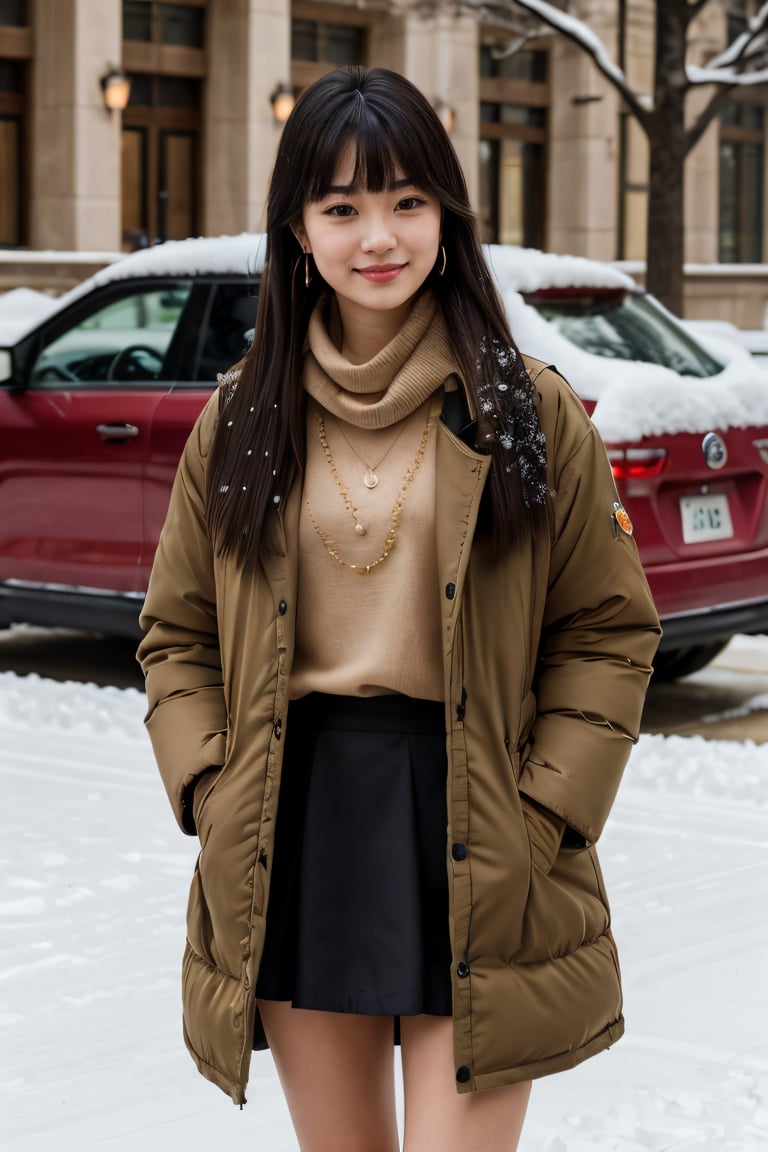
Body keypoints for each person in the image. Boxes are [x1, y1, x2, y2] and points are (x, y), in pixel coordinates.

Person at [137, 65, 661, 1152]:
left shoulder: (528, 412)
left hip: (476, 816)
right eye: (343, 208)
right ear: (297, 231)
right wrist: (207, 784)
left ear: (446, 216)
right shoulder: (238, 420)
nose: (379, 235)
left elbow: (607, 633)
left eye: (407, 201)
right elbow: (176, 633)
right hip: (297, 817)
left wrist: (549, 809)